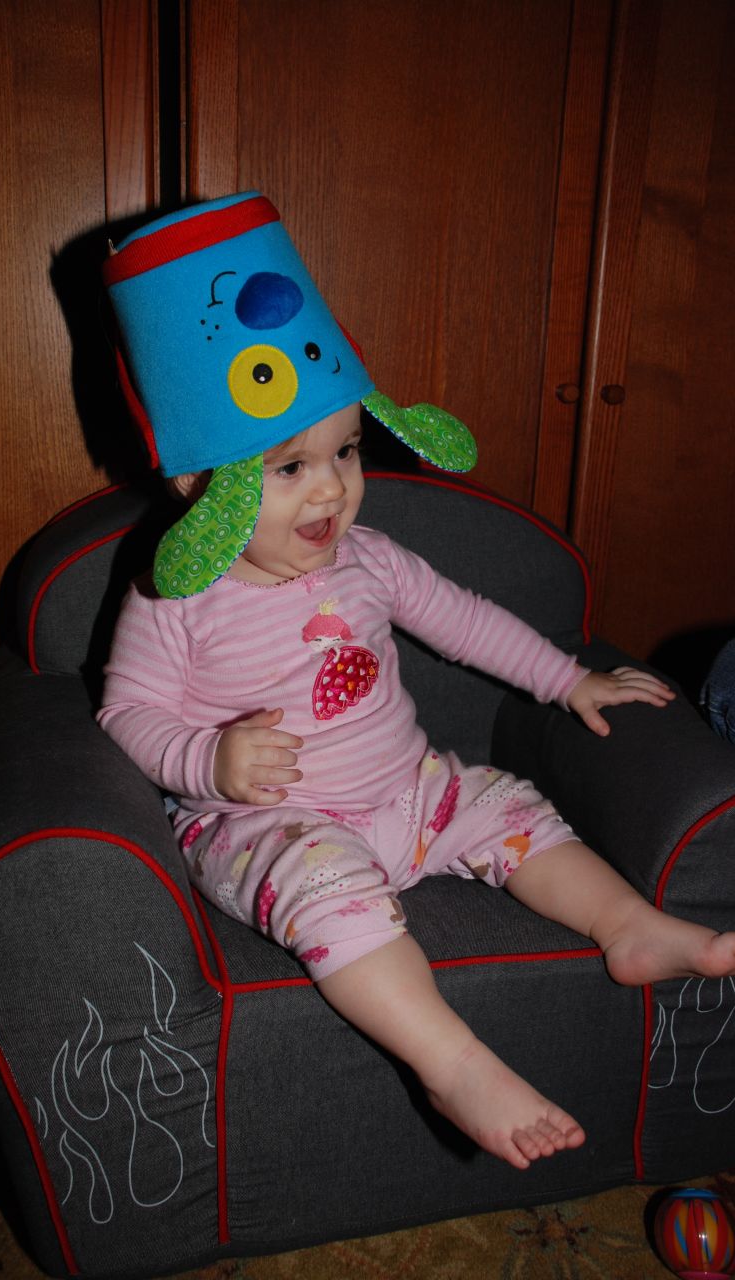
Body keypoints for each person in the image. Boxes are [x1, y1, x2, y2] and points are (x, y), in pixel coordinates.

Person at [98, 193, 735, 1171]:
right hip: (269, 825)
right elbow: (126, 709)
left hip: (411, 789)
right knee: (329, 889)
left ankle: (629, 925)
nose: (331, 488)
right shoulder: (170, 596)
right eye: (290, 465)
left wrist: (569, 679)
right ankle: (452, 1060)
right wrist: (208, 758)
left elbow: (466, 620)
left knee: (510, 806)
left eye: (346, 450)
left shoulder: (372, 557)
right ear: (194, 483)